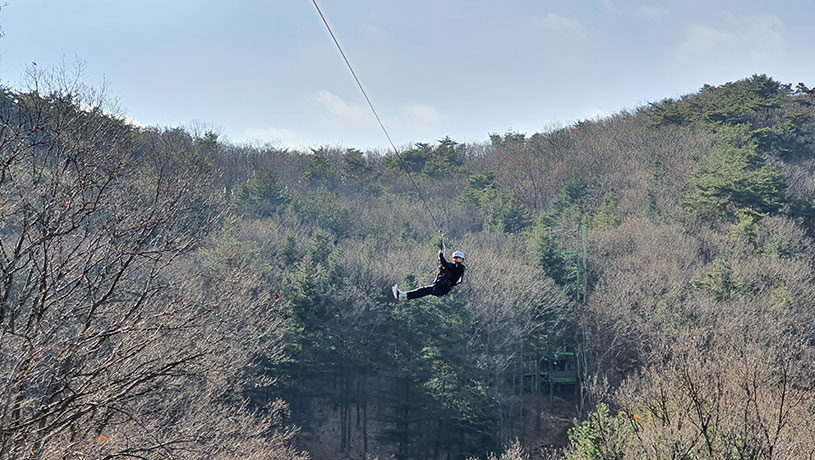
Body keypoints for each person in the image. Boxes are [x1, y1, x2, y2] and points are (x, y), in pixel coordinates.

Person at [392, 250, 466, 300]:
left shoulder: (458, 267)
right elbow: (446, 268)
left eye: (457, 258)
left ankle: (402, 295)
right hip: (441, 287)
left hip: (442, 288)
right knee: (423, 291)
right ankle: (403, 295)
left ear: (462, 260)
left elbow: (446, 264)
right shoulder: (454, 267)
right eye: (454, 258)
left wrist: (441, 256)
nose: (455, 259)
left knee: (423, 290)